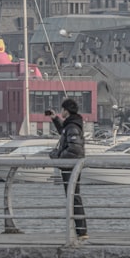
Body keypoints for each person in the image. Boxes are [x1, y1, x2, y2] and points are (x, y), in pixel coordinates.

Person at [47, 97, 87, 239]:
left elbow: (74, 149)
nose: (61, 111)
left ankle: (81, 230)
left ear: (66, 110)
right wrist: (55, 119)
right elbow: (65, 133)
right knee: (72, 196)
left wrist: (58, 156)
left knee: (73, 196)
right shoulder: (71, 124)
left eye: (62, 110)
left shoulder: (72, 126)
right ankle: (79, 230)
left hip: (70, 166)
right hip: (70, 165)